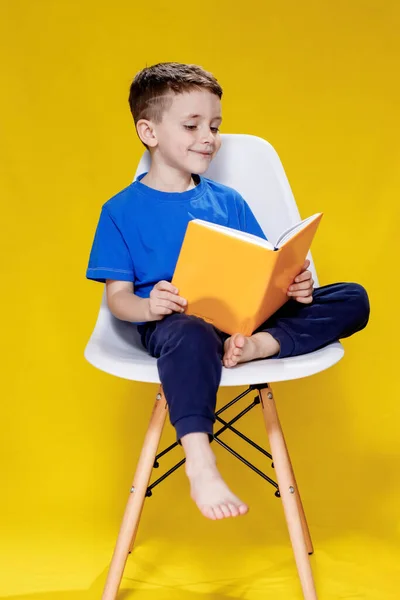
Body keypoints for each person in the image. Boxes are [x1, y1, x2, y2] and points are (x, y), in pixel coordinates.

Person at [86, 62, 370, 521]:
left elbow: (261, 264)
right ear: (149, 131)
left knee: (352, 296)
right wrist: (147, 304)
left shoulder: (228, 200)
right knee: (188, 330)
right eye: (192, 125)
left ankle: (257, 347)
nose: (209, 137)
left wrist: (290, 286)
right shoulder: (121, 211)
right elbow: (117, 299)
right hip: (178, 325)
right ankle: (200, 459)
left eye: (215, 126)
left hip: (243, 321)